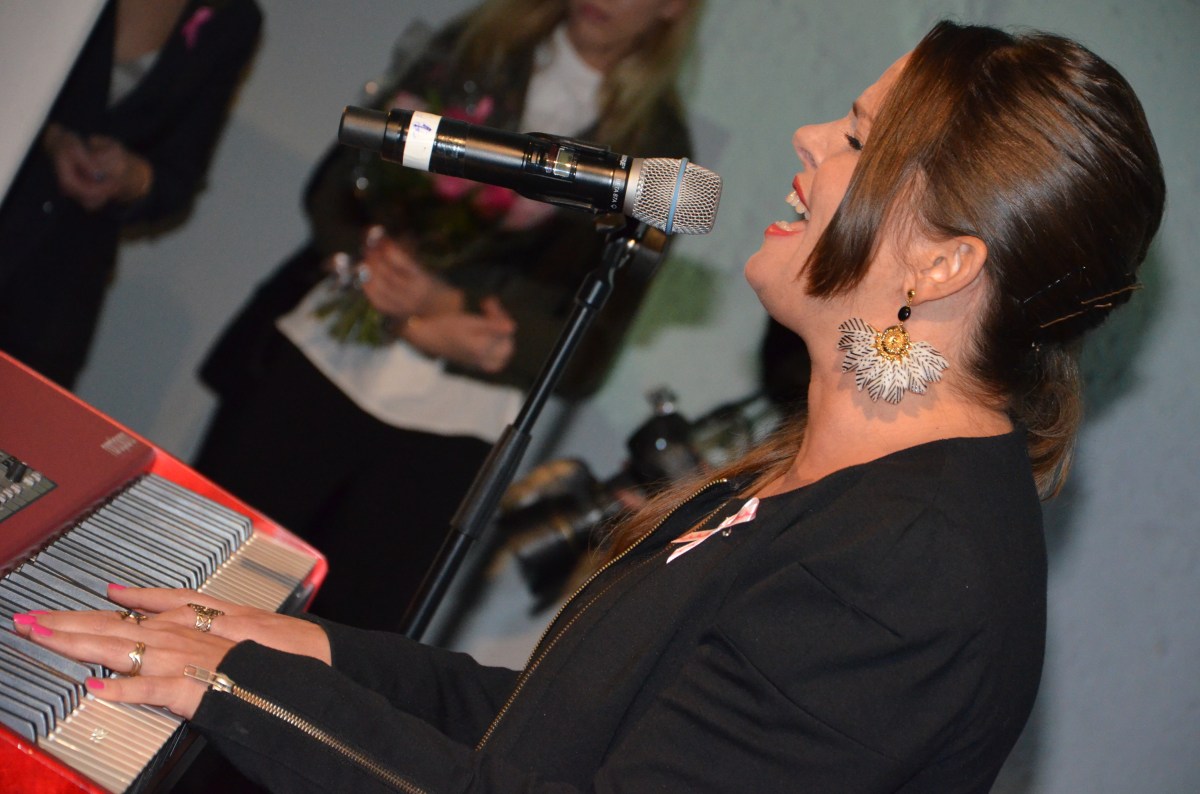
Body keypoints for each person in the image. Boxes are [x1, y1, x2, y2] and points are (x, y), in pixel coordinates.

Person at [12, 19, 1165, 792]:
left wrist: (232, 688)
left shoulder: (913, 570)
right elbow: (550, 725)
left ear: (942, 264)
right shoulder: (844, 485)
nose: (812, 138)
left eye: (860, 137)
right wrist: (292, 642)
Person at [190, 0, 700, 630]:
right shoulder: (478, 49)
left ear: (674, 7)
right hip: (326, 359)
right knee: (203, 579)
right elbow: (338, 183)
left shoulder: (658, 147)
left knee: (330, 644)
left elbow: (591, 348)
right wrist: (381, 272)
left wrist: (451, 310)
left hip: (449, 431)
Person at [0, 0, 263, 390]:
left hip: (58, 288)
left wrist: (131, 177)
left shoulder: (232, 18)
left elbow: (180, 176)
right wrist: (48, 135)